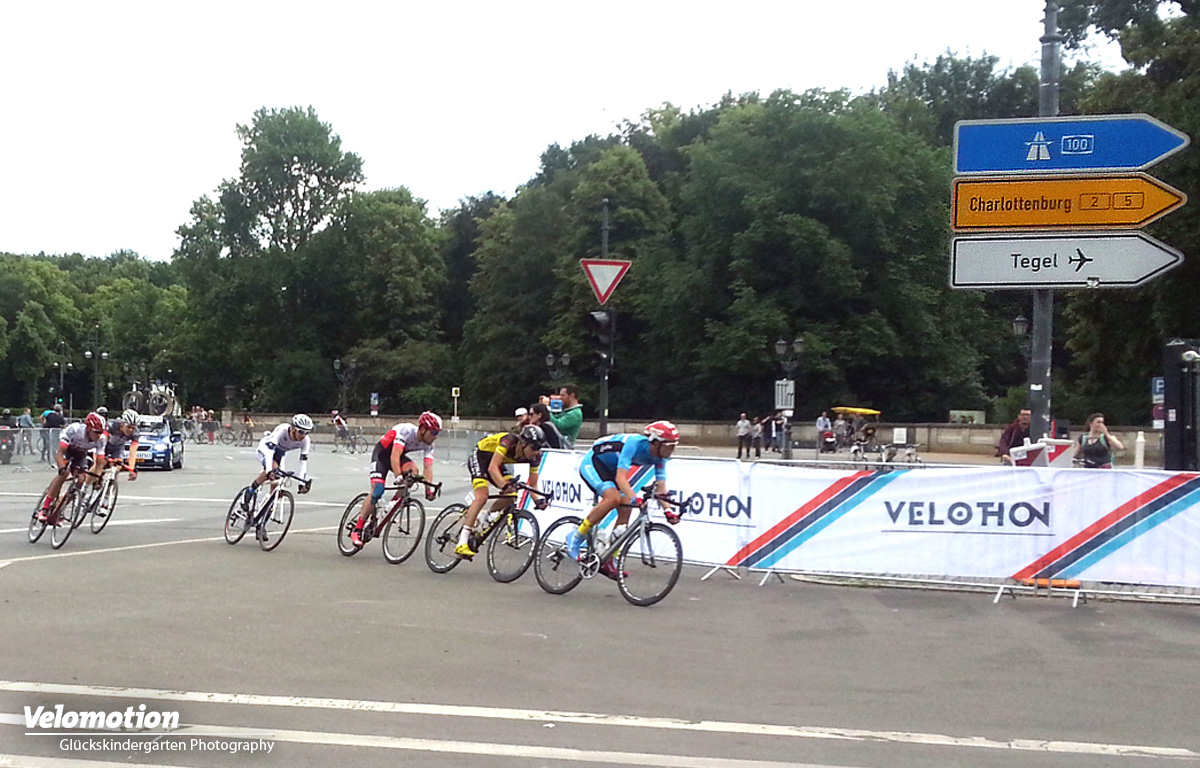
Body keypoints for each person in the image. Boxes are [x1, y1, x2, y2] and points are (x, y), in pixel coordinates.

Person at [565, 420, 682, 580]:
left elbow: (661, 485)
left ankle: (610, 558)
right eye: (669, 446)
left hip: (611, 468)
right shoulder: (634, 444)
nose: (672, 450)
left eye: (674, 446)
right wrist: (636, 498)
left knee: (626, 506)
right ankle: (577, 536)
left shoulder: (660, 457)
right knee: (613, 498)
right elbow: (621, 478)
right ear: (655, 442)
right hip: (594, 462)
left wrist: (668, 511)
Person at [349, 411, 442, 549]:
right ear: (423, 429)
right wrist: (398, 476)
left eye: (438, 433)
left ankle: (391, 505)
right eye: (434, 432)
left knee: (413, 472)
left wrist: (429, 490)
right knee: (378, 490)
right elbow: (395, 455)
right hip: (382, 455)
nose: (436, 436)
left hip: (397, 457)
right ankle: (357, 529)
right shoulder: (406, 431)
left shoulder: (429, 445)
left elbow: (428, 467)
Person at [454, 425, 548, 560]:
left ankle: (485, 518)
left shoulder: (535, 457)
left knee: (512, 494)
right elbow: (492, 469)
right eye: (533, 448)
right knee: (482, 496)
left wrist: (538, 500)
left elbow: (532, 484)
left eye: (538, 449)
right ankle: (462, 542)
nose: (536, 452)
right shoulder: (508, 441)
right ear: (523, 443)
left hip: (496, 463)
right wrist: (504, 486)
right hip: (481, 456)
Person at [241, 414, 314, 542]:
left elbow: (303, 462)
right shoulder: (282, 430)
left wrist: (302, 482)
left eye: (307, 432)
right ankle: (250, 490)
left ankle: (261, 523)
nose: (303, 435)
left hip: (280, 453)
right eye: (301, 431)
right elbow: (269, 453)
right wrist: (269, 471)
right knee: (273, 470)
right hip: (266, 449)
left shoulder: (305, 441)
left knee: (276, 491)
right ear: (293, 428)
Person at [37, 412, 108, 520]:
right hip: (66, 449)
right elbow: (60, 452)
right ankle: (45, 508)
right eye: (96, 432)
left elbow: (99, 462)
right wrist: (61, 467)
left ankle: (61, 508)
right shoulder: (75, 430)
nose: (98, 435)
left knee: (81, 479)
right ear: (88, 428)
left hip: (80, 453)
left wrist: (97, 478)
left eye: (101, 432)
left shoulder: (101, 439)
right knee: (64, 473)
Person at [94, 408, 141, 483]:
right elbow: (103, 440)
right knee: (100, 464)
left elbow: (133, 451)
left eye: (133, 428)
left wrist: (131, 469)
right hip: (106, 444)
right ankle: (89, 484)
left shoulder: (136, 433)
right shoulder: (113, 425)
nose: (131, 430)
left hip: (118, 448)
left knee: (117, 466)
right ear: (122, 423)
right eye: (128, 427)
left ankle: (111, 486)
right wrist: (101, 456)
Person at [540, 383, 583, 448]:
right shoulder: (567, 411)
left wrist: (547, 408)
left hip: (564, 447)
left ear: (571, 396)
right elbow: (555, 417)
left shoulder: (575, 413)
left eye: (563, 395)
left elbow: (557, 425)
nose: (560, 398)